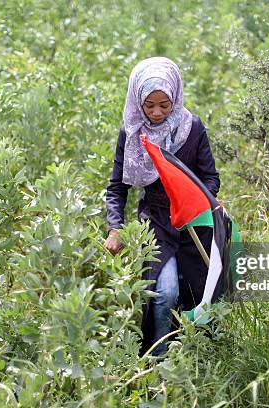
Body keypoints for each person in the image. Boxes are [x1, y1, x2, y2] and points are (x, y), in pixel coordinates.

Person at [104, 57, 220, 357]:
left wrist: (200, 200)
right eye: (149, 105)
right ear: (138, 100)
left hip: (193, 222)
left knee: (198, 295)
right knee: (164, 292)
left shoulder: (192, 128)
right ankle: (158, 360)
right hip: (155, 220)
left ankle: (194, 359)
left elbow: (210, 177)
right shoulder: (132, 134)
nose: (156, 112)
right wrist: (115, 227)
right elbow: (117, 186)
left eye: (164, 105)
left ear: (175, 97)